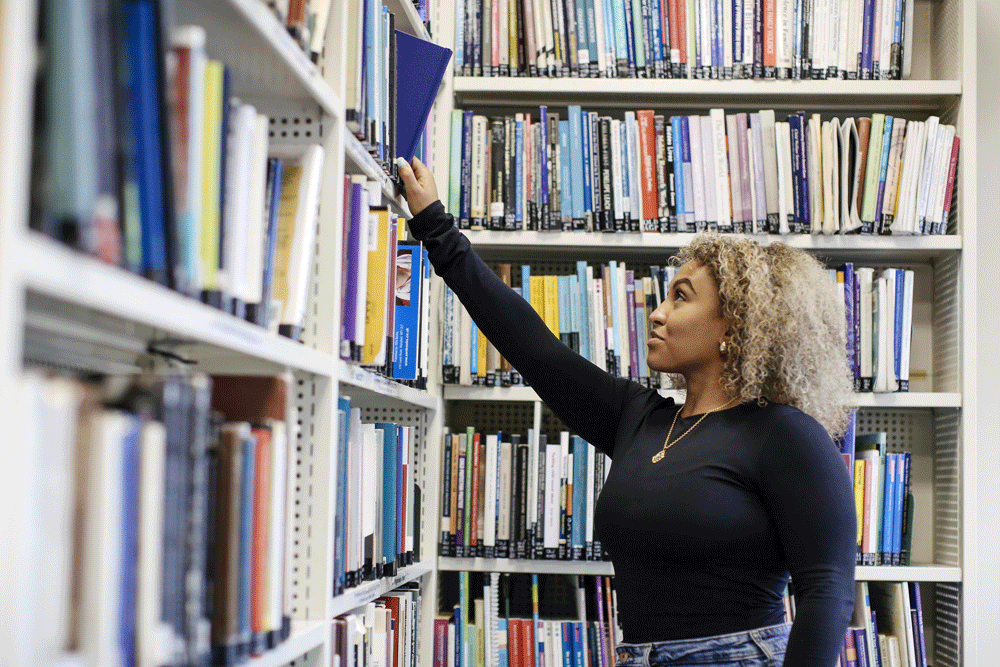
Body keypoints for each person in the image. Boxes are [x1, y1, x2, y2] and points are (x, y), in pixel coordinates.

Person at [395, 155, 856, 667]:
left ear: (735, 328)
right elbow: (533, 348)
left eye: (681, 298)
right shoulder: (640, 418)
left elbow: (827, 591)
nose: (657, 313)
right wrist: (436, 227)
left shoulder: (785, 435)